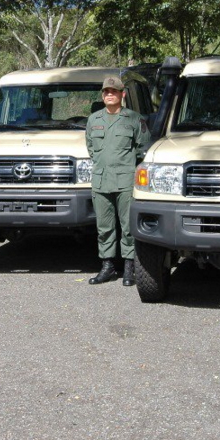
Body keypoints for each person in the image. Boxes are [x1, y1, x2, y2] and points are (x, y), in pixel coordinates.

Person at [85, 75, 151, 286]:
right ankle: (107, 266)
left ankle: (129, 268)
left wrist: (127, 165)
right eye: (106, 92)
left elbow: (144, 147)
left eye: (114, 91)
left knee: (128, 226)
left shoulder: (133, 118)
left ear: (122, 94)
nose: (109, 95)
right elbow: (91, 149)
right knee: (104, 227)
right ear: (102, 95)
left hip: (125, 180)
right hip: (101, 181)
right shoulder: (94, 119)